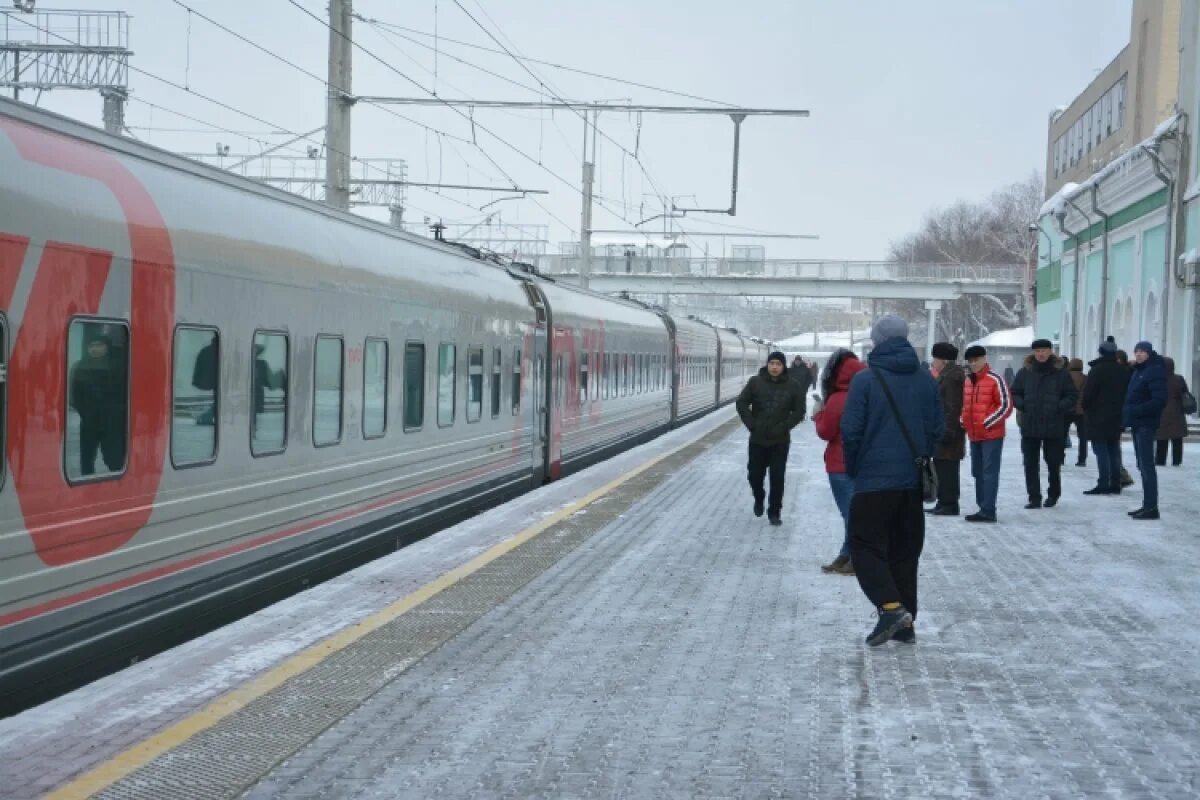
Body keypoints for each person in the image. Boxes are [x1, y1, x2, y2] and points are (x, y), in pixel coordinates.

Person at [841, 315, 942, 646]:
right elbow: (938, 427)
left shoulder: (865, 380)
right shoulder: (926, 379)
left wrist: (856, 467)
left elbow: (851, 431)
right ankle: (906, 625)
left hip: (873, 481)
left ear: (877, 341)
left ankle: (891, 607)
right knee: (904, 551)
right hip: (911, 481)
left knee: (864, 546)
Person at [736, 350, 806, 526]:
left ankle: (775, 512)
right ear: (767, 365)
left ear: (783, 366)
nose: (774, 367)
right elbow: (741, 403)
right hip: (757, 439)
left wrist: (784, 426)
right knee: (754, 475)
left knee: (777, 477)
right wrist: (752, 424)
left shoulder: (793, 386)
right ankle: (759, 497)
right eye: (772, 363)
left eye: (778, 364)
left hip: (780, 440)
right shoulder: (755, 382)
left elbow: (799, 411)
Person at [813, 348, 867, 575]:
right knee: (855, 513)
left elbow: (826, 432)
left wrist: (818, 414)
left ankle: (856, 558)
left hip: (840, 464)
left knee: (850, 515)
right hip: (864, 464)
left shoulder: (838, 399)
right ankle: (846, 554)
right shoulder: (867, 394)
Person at [1010, 339, 1077, 509]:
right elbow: (1015, 392)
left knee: (1053, 462)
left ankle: (1053, 494)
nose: (1040, 354)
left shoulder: (1060, 372)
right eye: (1037, 351)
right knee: (1030, 462)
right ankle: (1034, 497)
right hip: (1030, 423)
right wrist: (1022, 404)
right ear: (1033, 352)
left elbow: (1071, 395)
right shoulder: (1025, 372)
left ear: (1050, 352)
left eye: (1044, 350)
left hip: (1053, 424)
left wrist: (1058, 407)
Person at [961, 345, 1012, 522]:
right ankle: (982, 505)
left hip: (991, 435)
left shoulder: (995, 379)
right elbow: (966, 405)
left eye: (976, 360)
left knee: (989, 472)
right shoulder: (968, 380)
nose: (974, 364)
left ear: (984, 359)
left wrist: (987, 422)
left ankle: (988, 509)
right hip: (974, 434)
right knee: (977, 472)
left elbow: (1005, 405)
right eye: (971, 361)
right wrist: (964, 421)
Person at [68, 330, 128, 476]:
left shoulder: (118, 367)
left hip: (112, 423)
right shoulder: (79, 367)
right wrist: (85, 411)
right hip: (88, 422)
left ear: (106, 346)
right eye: (91, 346)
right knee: (86, 461)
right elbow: (73, 396)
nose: (94, 349)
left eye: (99, 345)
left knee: (114, 461)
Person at [1123, 341, 1168, 520]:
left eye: (1143, 351)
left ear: (1149, 353)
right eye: (1137, 351)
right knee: (1142, 465)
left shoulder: (1154, 370)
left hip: (1146, 424)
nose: (1139, 354)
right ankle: (1147, 504)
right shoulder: (1139, 371)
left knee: (1147, 466)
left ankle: (1151, 507)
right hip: (1137, 423)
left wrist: (1136, 410)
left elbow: (1159, 400)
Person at [1082, 337, 1130, 495]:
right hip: (1117, 416)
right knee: (1114, 449)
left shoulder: (1097, 370)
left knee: (1101, 450)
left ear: (1101, 352)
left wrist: (1086, 406)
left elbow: (1088, 394)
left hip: (1098, 416)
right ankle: (1116, 483)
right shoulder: (1123, 370)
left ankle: (1103, 482)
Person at [928, 342, 966, 516]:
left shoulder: (952, 377)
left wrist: (948, 430)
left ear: (942, 360)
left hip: (949, 431)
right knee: (941, 466)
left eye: (934, 358)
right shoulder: (948, 374)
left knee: (948, 468)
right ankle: (943, 501)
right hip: (944, 428)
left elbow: (952, 406)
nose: (932, 362)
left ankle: (949, 504)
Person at [1155, 356, 1188, 467]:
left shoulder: (1157, 379)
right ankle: (1177, 460)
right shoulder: (1178, 379)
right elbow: (1184, 393)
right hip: (1177, 412)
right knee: (1177, 438)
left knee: (1161, 438)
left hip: (1161, 411)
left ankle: (1160, 460)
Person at [1066, 358, 1088, 467]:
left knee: (1062, 434)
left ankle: (1060, 458)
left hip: (1067, 409)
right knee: (1083, 437)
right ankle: (1082, 459)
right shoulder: (1086, 378)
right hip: (1081, 411)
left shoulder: (1065, 377)